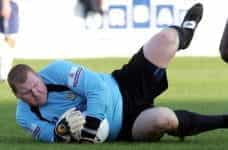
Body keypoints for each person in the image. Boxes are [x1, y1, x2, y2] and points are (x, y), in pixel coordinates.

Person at [7, 3, 228, 143]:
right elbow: (46, 134)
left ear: (38, 76)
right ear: (18, 96)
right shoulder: (24, 115)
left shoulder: (55, 71)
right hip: (125, 126)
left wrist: (91, 125)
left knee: (167, 39)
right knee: (165, 119)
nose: (35, 93)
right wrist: (60, 132)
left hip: (123, 85)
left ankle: (186, 32)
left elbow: (97, 88)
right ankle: (224, 121)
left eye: (36, 85)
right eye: (27, 93)